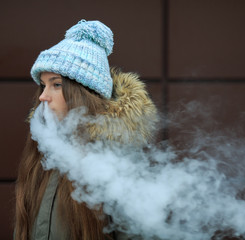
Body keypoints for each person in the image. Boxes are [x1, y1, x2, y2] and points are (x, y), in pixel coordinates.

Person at [14, 19, 158, 240]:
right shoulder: (44, 150)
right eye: (43, 85)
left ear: (83, 93)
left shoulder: (119, 160)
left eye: (56, 84)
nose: (43, 96)